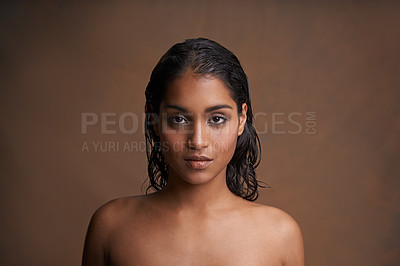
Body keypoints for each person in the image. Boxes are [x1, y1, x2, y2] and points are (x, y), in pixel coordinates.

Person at [82, 38, 305, 265]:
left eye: (217, 119)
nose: (198, 141)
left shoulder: (280, 235)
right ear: (155, 120)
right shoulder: (111, 226)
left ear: (241, 119)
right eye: (178, 119)